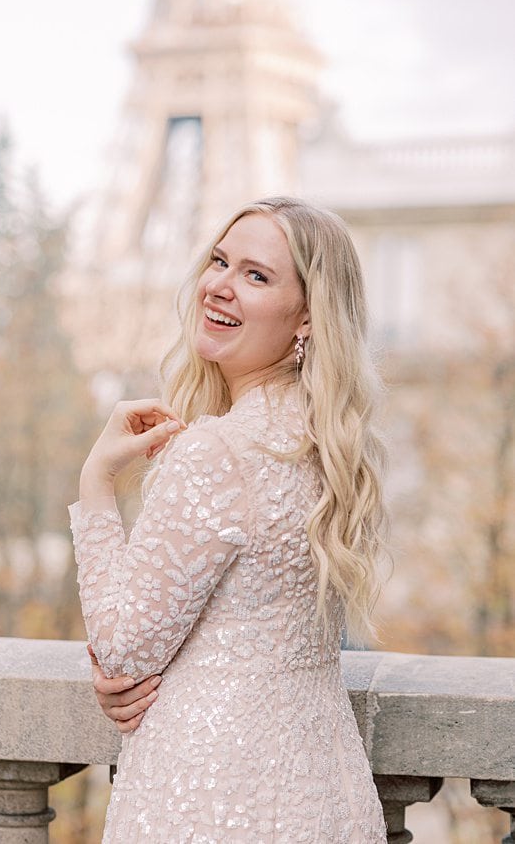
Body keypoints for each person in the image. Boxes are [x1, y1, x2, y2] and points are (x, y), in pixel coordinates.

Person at [71, 197, 388, 841]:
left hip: (207, 792)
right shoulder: (329, 447)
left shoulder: (216, 451)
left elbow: (123, 648)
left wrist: (96, 484)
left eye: (257, 275)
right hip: (323, 792)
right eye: (220, 261)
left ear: (307, 318)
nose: (219, 284)